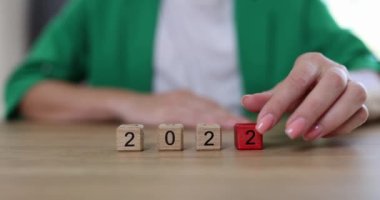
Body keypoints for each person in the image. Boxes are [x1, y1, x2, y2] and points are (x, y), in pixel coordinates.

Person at [5, 0, 380, 141]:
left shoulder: (293, 5)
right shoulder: (100, 5)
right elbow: (27, 89)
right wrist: (129, 104)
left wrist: (348, 88)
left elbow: (368, 74)